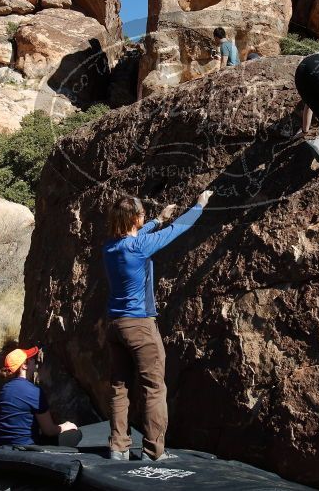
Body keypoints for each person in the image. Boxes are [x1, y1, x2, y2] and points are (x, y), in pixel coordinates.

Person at [103, 190, 214, 462]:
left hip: (115, 325)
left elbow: (136, 236)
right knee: (154, 387)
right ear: (134, 219)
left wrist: (157, 220)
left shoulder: (110, 247)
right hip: (139, 325)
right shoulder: (139, 247)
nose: (144, 216)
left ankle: (118, 447)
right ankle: (153, 451)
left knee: (120, 387)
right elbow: (179, 229)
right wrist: (198, 206)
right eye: (141, 213)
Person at [0, 347, 78, 446]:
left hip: (3, 447)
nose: (34, 360)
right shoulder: (33, 391)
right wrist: (65, 426)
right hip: (25, 449)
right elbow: (49, 430)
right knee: (75, 435)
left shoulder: (4, 390)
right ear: (24, 366)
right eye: (31, 358)